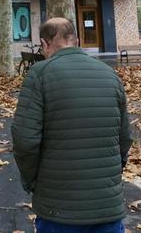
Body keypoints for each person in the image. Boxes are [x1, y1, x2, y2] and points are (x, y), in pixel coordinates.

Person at [12, 17, 132, 233]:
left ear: (45, 44)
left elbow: (24, 141)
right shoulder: (110, 75)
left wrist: (32, 181)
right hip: (107, 206)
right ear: (76, 40)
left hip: (59, 209)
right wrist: (111, 178)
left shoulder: (39, 74)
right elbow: (125, 138)